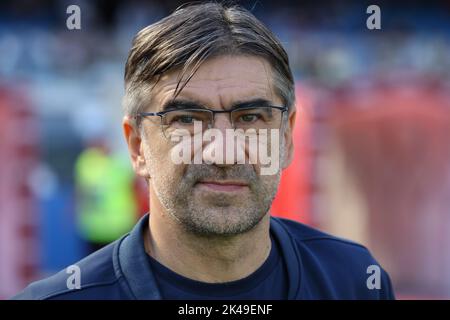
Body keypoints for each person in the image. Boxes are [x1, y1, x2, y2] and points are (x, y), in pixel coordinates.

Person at [13, 2, 394, 300]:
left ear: (287, 138)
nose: (224, 152)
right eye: (187, 119)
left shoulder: (355, 282)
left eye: (250, 118)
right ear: (137, 145)